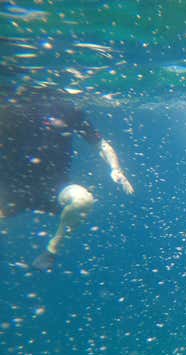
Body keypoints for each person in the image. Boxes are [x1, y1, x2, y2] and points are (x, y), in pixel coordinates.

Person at [0, 87, 133, 270]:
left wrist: (116, 169)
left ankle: (52, 249)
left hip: (55, 186)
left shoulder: (72, 112)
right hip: (11, 186)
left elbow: (100, 144)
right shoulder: (11, 106)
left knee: (83, 200)